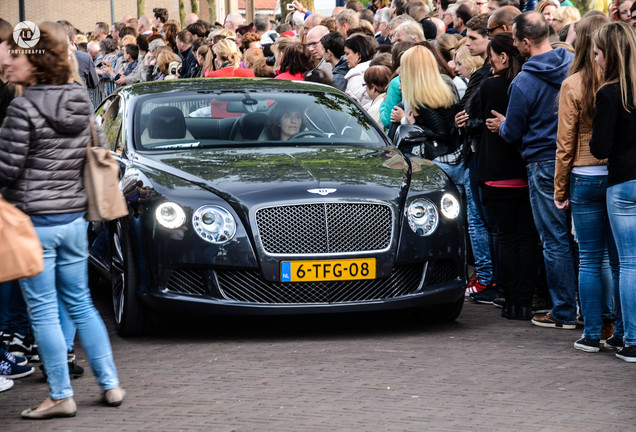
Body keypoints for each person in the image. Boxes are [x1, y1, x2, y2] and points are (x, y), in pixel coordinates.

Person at [0, 21, 125, 418]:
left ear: (34, 62)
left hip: (35, 223)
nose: (10, 63)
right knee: (82, 304)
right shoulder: (79, 99)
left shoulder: (23, 107)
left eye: (16, 56)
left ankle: (60, 393)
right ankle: (110, 384)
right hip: (75, 219)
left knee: (43, 311)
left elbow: (7, 169)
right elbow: (99, 149)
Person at [489, 11, 577, 330]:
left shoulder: (523, 82)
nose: (514, 45)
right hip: (577, 159)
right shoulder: (573, 67)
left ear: (526, 43)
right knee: (582, 239)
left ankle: (565, 310)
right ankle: (590, 309)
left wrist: (502, 125)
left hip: (542, 161)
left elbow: (513, 132)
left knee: (553, 239)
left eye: (516, 40)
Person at [480, 33, 541, 320]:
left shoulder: (491, 85)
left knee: (506, 238)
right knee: (527, 239)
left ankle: (511, 300)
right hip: (525, 168)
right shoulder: (530, 82)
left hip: (498, 171)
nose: (488, 62)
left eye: (490, 56)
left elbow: (473, 116)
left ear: (502, 57)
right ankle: (525, 300)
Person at [590, 21, 636, 362]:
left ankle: (630, 337)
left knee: (628, 264)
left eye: (597, 53)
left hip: (622, 182)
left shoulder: (609, 93)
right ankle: (625, 333)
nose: (596, 59)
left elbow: (599, 146)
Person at [400, 45, 457, 161]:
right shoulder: (440, 89)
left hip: (441, 160)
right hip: (454, 154)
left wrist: (416, 126)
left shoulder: (422, 99)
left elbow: (442, 133)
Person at [343, 34, 377, 109]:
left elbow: (350, 108)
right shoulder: (376, 70)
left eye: (347, 54)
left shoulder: (355, 77)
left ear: (358, 54)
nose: (344, 58)